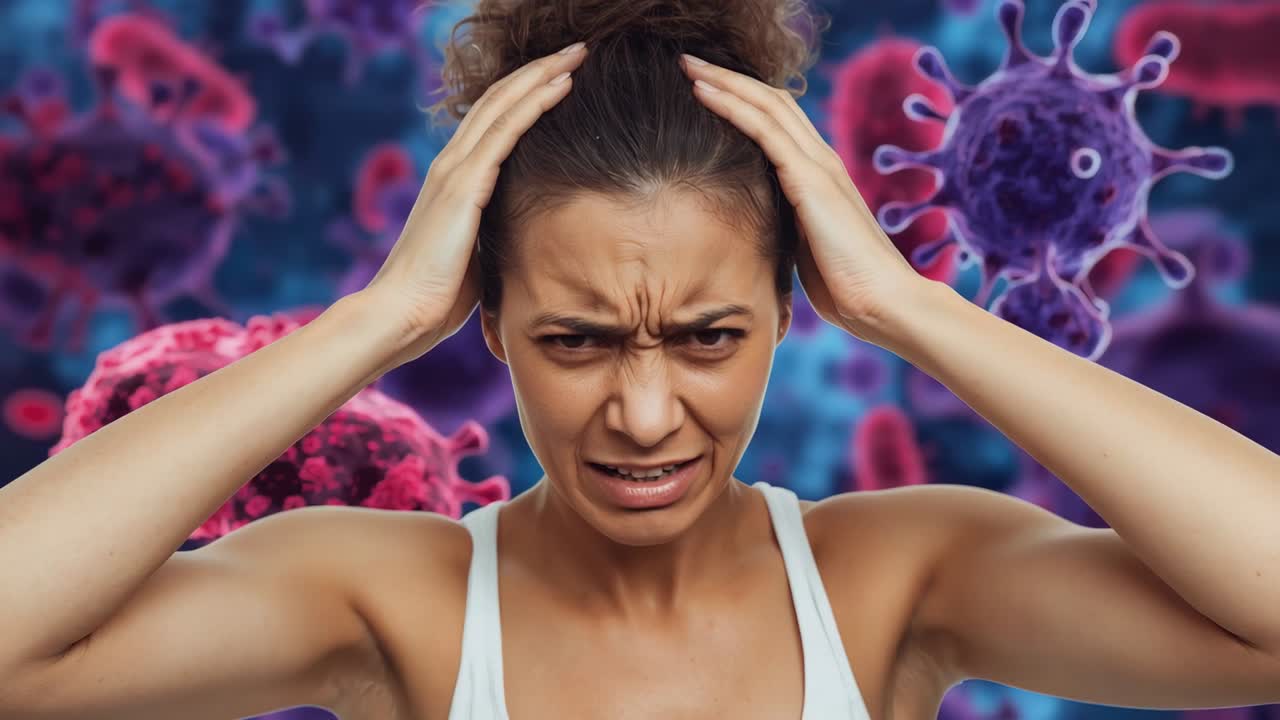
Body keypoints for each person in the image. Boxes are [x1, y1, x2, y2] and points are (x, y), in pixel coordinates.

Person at [4, 1, 1280, 718]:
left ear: (793, 307)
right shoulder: (387, 600)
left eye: (708, 336)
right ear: (486, 320)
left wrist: (908, 307)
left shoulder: (891, 581)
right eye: (576, 340)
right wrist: (375, 321)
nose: (645, 411)